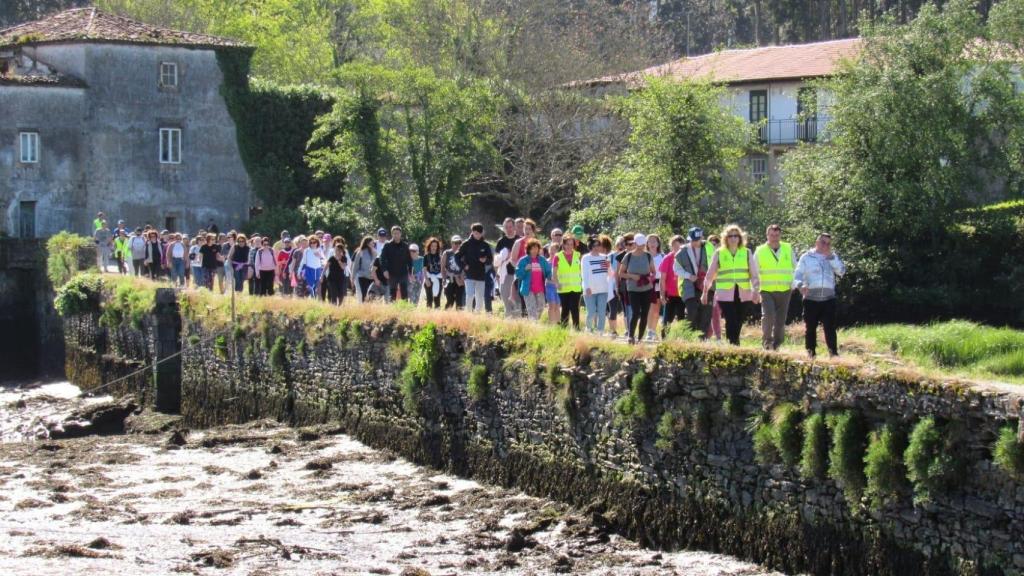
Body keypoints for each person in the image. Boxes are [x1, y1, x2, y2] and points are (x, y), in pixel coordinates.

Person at [701, 225, 761, 346]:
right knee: (731, 318)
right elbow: (710, 274)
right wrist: (705, 292)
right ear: (726, 238)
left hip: (743, 292)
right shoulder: (719, 253)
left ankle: (734, 343)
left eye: (736, 236)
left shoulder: (746, 252)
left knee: (739, 319)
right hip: (725, 293)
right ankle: (732, 344)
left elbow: (754, 273)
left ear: (740, 238)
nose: (733, 238)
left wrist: (756, 290)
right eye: (730, 236)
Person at [795, 233, 846, 358]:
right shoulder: (806, 257)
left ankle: (833, 354)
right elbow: (797, 275)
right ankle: (810, 353)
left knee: (830, 327)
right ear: (817, 243)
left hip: (829, 298)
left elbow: (842, 272)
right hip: (811, 298)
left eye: (828, 243)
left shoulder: (832, 257)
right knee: (810, 328)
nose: (826, 246)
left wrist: (832, 258)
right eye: (823, 242)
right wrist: (800, 285)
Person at [755, 224, 797, 351]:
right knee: (768, 316)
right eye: (772, 235)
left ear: (780, 235)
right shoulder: (760, 250)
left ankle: (778, 344)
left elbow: (795, 267)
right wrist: (755, 290)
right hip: (766, 290)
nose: (774, 238)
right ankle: (767, 342)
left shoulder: (787, 248)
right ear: (767, 235)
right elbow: (754, 271)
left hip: (785, 289)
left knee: (780, 320)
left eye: (777, 235)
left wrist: (794, 283)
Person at [617, 233, 656, 345]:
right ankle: (631, 335)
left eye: (643, 244)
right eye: (639, 244)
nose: (641, 246)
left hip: (646, 289)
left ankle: (640, 338)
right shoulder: (628, 256)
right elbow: (621, 273)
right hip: (633, 289)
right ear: (635, 243)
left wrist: (649, 278)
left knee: (644, 313)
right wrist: (632, 276)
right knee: (635, 313)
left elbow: (654, 272)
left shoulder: (648, 256)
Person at [674, 227, 712, 339]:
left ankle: (702, 339)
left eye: (697, 240)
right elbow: (676, 269)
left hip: (706, 286)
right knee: (691, 312)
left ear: (702, 238)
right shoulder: (682, 251)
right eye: (693, 240)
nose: (695, 242)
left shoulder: (709, 248)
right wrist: (688, 276)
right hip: (689, 287)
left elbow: (716, 264)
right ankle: (688, 338)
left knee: (705, 313)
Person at [457, 223, 493, 313]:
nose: (477, 235)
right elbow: (457, 257)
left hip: (481, 275)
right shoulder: (466, 244)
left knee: (480, 297)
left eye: (479, 233)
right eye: (475, 233)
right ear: (472, 232)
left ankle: (477, 315)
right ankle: (468, 314)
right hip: (469, 275)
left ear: (482, 233)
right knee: (469, 296)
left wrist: (485, 260)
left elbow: (490, 259)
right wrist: (463, 266)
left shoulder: (485, 245)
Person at [581, 235, 612, 334]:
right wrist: (587, 287)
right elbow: (584, 274)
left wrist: (609, 266)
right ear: (590, 246)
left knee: (602, 311)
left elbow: (610, 274)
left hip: (603, 289)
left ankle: (600, 331)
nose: (597, 247)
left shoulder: (605, 257)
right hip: (590, 289)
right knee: (591, 312)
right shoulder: (586, 258)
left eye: (598, 245)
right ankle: (589, 329)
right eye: (594, 245)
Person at [515, 238, 551, 320]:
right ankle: (533, 325)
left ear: (539, 249)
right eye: (532, 248)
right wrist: (525, 269)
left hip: (540, 289)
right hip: (528, 290)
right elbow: (518, 275)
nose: (534, 250)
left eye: (536, 248)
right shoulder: (523, 260)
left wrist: (551, 278)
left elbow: (548, 271)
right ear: (528, 249)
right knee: (531, 310)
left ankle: (534, 322)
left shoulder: (542, 260)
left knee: (541, 307)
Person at [553, 233, 583, 329]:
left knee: (574, 308)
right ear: (563, 244)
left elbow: (582, 270)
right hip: (563, 288)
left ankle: (576, 329)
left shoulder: (578, 255)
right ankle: (564, 328)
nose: (569, 246)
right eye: (567, 244)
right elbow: (554, 272)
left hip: (575, 287)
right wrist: (557, 283)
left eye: (571, 244)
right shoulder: (557, 256)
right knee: (565, 309)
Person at [660, 235, 686, 338]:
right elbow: (662, 279)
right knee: (667, 319)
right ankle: (664, 340)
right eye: (674, 245)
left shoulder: (686, 258)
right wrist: (662, 295)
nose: (676, 248)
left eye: (678, 246)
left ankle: (682, 340)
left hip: (683, 294)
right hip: (670, 294)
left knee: (682, 319)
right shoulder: (668, 258)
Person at [380, 225, 413, 302]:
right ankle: (392, 310)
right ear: (392, 234)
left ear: (400, 234)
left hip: (403, 273)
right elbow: (382, 258)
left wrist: (410, 272)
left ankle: (404, 309)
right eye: (394, 233)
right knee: (392, 293)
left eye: (398, 233)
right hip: (392, 273)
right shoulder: (387, 245)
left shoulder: (405, 246)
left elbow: (409, 260)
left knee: (404, 293)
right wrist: (384, 270)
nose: (396, 235)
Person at [495, 217, 520, 318]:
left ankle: (518, 322)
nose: (509, 229)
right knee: (506, 299)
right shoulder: (501, 241)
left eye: (510, 227)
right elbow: (496, 260)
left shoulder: (519, 240)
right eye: (506, 227)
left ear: (514, 227)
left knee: (517, 301)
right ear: (504, 228)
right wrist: (497, 274)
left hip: (517, 274)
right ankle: (509, 322)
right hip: (505, 275)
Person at [646, 234, 664, 341]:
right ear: (647, 244)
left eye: (654, 241)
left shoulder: (662, 256)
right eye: (650, 241)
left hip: (659, 283)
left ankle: (653, 330)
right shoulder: (644, 256)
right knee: (650, 308)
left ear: (658, 243)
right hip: (647, 283)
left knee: (657, 308)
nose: (652, 243)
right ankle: (649, 331)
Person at [544, 229, 563, 324]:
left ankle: (558, 323)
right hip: (549, 286)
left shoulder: (560, 262)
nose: (552, 253)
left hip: (558, 287)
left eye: (554, 251)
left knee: (557, 306)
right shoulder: (546, 262)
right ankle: (552, 324)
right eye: (551, 251)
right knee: (551, 305)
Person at [442, 236, 465, 310]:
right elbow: (442, 268)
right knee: (450, 300)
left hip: (460, 278)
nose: (457, 245)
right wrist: (444, 279)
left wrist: (462, 278)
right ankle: (446, 317)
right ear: (452, 243)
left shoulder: (464, 253)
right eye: (455, 243)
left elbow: (466, 267)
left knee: (459, 301)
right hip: (450, 278)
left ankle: (459, 319)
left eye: (459, 243)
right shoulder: (447, 253)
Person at [353, 236, 376, 302]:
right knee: (364, 294)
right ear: (367, 244)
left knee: (371, 294)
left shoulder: (375, 252)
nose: (373, 244)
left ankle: (370, 309)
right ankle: (363, 308)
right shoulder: (360, 252)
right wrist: (352, 277)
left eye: (373, 243)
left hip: (371, 277)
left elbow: (376, 265)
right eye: (372, 243)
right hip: (362, 276)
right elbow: (355, 265)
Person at [422, 238, 443, 309]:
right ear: (429, 246)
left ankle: (437, 315)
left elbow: (442, 269)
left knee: (437, 298)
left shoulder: (440, 257)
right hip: (429, 278)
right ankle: (429, 315)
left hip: (439, 278)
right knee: (429, 299)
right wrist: (426, 279)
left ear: (437, 247)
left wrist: (444, 279)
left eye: (435, 246)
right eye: (432, 246)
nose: (434, 248)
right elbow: (424, 269)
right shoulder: (426, 256)